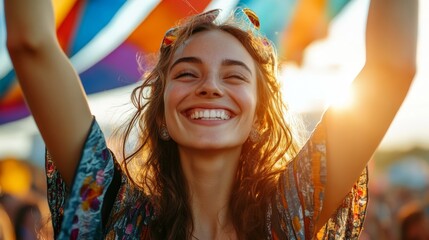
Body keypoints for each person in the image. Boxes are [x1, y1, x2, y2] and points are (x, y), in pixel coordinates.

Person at [4, 0, 418, 239]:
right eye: (187, 73)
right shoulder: (117, 215)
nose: (210, 86)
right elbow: (32, 43)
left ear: (260, 117)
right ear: (161, 116)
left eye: (234, 75)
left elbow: (391, 68)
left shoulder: (289, 214)